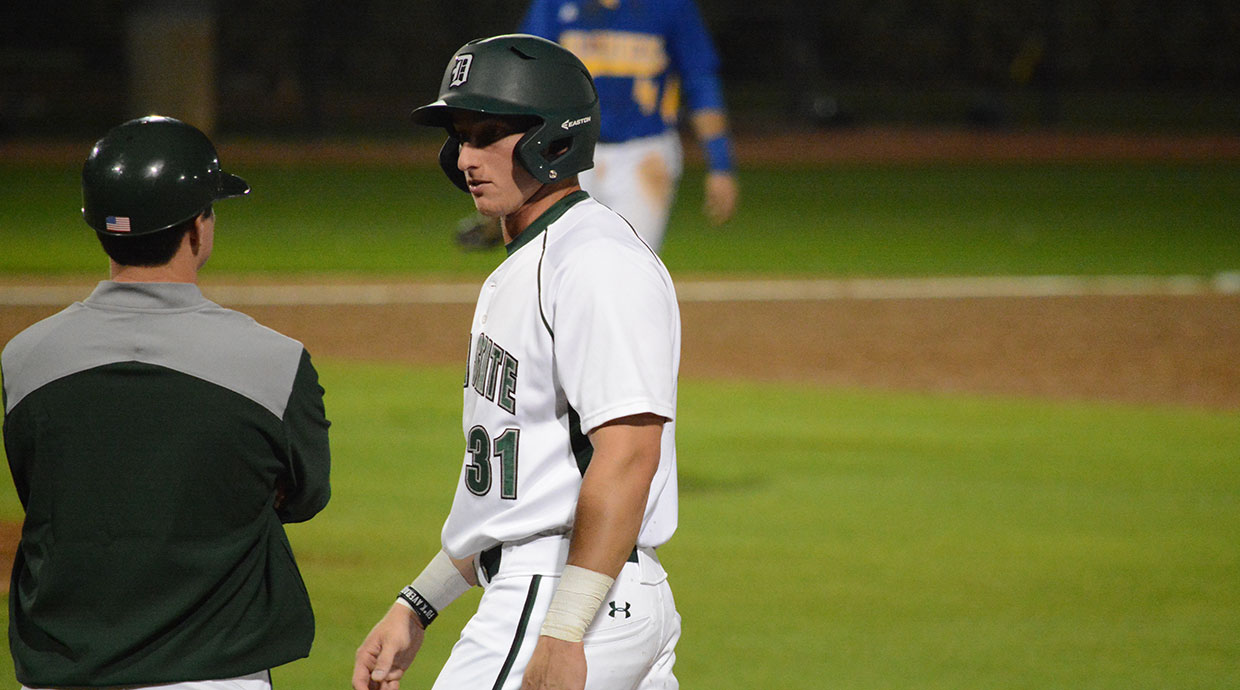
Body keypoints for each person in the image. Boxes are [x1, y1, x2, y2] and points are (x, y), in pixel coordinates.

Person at [353, 35, 682, 690]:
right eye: (461, 137)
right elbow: (515, 492)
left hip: (564, 594)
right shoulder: (534, 262)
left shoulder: (593, 261)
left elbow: (629, 453)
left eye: (490, 134)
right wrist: (418, 602)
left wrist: (565, 627)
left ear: (555, 138)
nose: (467, 157)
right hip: (573, 586)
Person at [1, 116, 332, 690]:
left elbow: (47, 489)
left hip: (59, 674)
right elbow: (304, 495)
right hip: (215, 673)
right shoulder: (274, 362)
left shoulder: (25, 359)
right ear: (197, 229)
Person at [455, 0, 739, 253]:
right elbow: (520, 78)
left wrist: (721, 165)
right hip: (565, 152)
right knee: (552, 260)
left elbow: (701, 81)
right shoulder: (555, 4)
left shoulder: (669, 5)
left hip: (644, 156)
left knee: (629, 263)